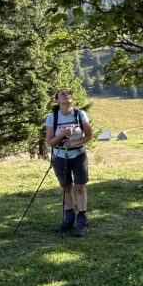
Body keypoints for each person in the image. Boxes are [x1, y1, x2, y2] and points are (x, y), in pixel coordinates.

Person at [45, 89, 93, 236]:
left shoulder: (80, 114)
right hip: (60, 157)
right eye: (63, 94)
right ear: (57, 100)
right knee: (66, 188)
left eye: (68, 93)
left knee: (80, 187)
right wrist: (63, 134)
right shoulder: (52, 117)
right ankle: (68, 221)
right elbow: (50, 142)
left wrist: (74, 143)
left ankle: (82, 221)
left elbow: (88, 135)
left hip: (79, 155)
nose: (67, 95)